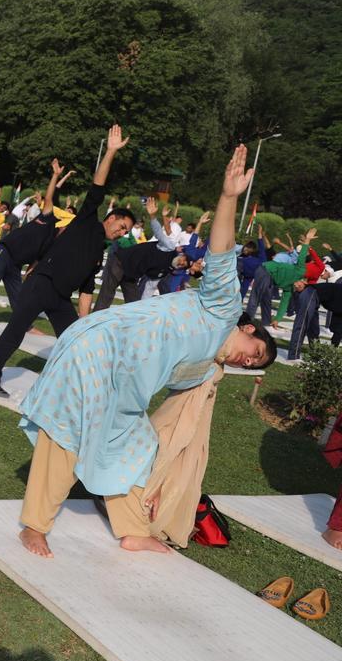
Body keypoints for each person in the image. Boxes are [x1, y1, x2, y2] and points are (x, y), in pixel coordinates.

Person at [16, 144, 277, 559]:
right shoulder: (223, 307)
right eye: (255, 349)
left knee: (137, 446)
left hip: (122, 393)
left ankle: (133, 529)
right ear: (247, 328)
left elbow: (181, 425)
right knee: (67, 433)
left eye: (255, 364)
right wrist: (228, 198)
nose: (250, 359)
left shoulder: (205, 371)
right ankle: (35, 525)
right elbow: (223, 251)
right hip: (99, 350)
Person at [0, 126, 136, 398]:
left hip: (61, 298)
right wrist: (110, 152)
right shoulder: (88, 221)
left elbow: (87, 290)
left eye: (125, 232)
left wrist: (83, 324)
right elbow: (98, 186)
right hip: (42, 284)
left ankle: (73, 390)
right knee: (16, 332)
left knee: (75, 341)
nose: (121, 233)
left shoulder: (100, 250)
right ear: (110, 218)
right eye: (121, 226)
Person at [0, 159, 68, 331]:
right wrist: (55, 176)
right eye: (66, 227)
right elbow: (50, 196)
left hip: (16, 264)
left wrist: (29, 272)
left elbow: (38, 260)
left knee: (19, 296)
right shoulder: (47, 219)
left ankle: (25, 326)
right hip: (5, 251)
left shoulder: (54, 242)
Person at [245, 229, 315, 328]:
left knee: (266, 299)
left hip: (269, 277)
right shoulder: (300, 271)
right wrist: (308, 240)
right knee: (256, 296)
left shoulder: (289, 290)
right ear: (304, 282)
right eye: (300, 285)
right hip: (265, 269)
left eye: (297, 289)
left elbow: (284, 304)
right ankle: (247, 320)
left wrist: (277, 319)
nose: (296, 286)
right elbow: (302, 256)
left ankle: (266, 323)